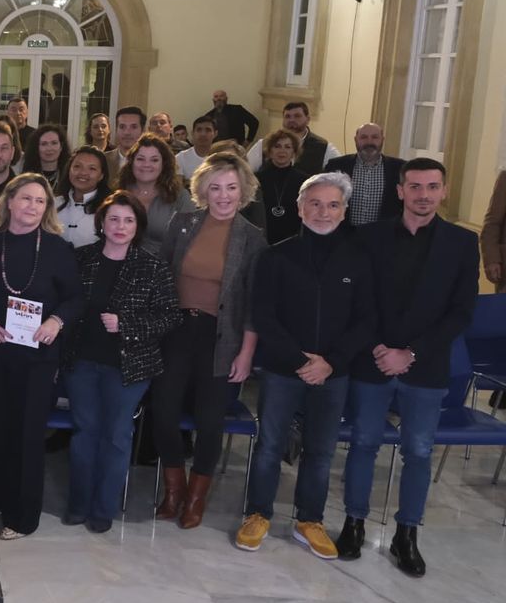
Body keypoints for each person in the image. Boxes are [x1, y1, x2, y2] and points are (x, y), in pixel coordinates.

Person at [338, 158, 479, 577]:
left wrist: (411, 353)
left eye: (432, 187)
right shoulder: (369, 236)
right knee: (363, 443)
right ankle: (353, 523)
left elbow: (461, 312)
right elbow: (357, 300)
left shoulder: (461, 242)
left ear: (444, 191)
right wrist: (379, 348)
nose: (423, 195)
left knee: (418, 451)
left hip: (426, 365)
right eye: (415, 186)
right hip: (373, 359)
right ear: (399, 191)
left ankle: (407, 534)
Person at [236, 172, 374, 558]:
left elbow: (366, 320)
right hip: (283, 370)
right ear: (299, 208)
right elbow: (264, 316)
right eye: (314, 203)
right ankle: (257, 513)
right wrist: (300, 361)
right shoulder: (275, 256)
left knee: (321, 450)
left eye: (332, 205)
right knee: (270, 445)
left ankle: (309, 520)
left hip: (333, 373)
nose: (323, 212)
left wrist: (330, 363)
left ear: (344, 211)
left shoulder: (358, 260)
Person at [150, 152, 266, 529]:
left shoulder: (252, 238)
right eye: (215, 187)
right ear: (202, 190)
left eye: (231, 187)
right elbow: (162, 278)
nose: (223, 195)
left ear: (243, 190)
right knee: (162, 411)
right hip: (176, 331)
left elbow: (254, 303)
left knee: (210, 420)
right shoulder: (182, 223)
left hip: (222, 338)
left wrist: (246, 353)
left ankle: (197, 497)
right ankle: (174, 489)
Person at [0, 174, 83, 540]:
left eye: (40, 201)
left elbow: (75, 298)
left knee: (27, 434)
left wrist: (56, 321)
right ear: (9, 201)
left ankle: (22, 516)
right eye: (26, 199)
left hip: (37, 356)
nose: (32, 207)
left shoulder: (57, 248)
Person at [62, 191, 180, 533]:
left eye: (128, 220)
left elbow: (170, 316)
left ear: (138, 226)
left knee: (116, 436)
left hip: (129, 367)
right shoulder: (82, 258)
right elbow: (66, 304)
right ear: (101, 222)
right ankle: (78, 504)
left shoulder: (152, 266)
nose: (120, 226)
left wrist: (126, 324)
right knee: (84, 432)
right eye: (113, 218)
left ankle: (103, 509)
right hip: (82, 362)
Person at [115, 134, 195, 257]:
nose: (146, 164)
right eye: (140, 159)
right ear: (131, 162)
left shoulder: (180, 197)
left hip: (164, 264)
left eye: (154, 160)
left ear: (164, 164)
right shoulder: (119, 192)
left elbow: (189, 240)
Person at [325, 122, 403, 227]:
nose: (369, 142)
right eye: (364, 137)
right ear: (356, 140)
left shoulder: (399, 168)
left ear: (382, 140)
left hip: (384, 234)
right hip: (343, 233)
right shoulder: (336, 166)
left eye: (375, 137)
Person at [246, 101, 340, 174]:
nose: (291, 120)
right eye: (287, 116)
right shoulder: (264, 144)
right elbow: (246, 172)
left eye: (297, 116)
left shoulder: (323, 147)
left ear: (308, 119)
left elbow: (339, 176)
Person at [255, 129, 307, 244]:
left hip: (292, 239)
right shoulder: (256, 179)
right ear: (270, 151)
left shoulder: (304, 181)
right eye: (277, 146)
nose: (282, 151)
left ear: (294, 152)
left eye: (287, 147)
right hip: (262, 238)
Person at [56, 146, 108, 248]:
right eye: (77, 166)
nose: (83, 173)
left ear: (101, 175)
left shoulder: (108, 208)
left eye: (92, 168)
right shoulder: (53, 204)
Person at [21, 124, 70, 193]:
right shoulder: (27, 177)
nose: (49, 148)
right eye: (44, 144)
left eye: (54, 143)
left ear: (61, 147)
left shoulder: (70, 176)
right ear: (36, 147)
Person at [175, 115, 217, 182]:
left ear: (215, 134)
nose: (203, 134)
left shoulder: (221, 157)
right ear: (192, 133)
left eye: (208, 130)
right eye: (199, 130)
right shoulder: (180, 158)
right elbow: (179, 187)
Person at [107, 106, 145, 178]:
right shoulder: (103, 160)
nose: (127, 132)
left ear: (143, 131)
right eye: (122, 127)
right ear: (116, 129)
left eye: (133, 127)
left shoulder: (152, 163)